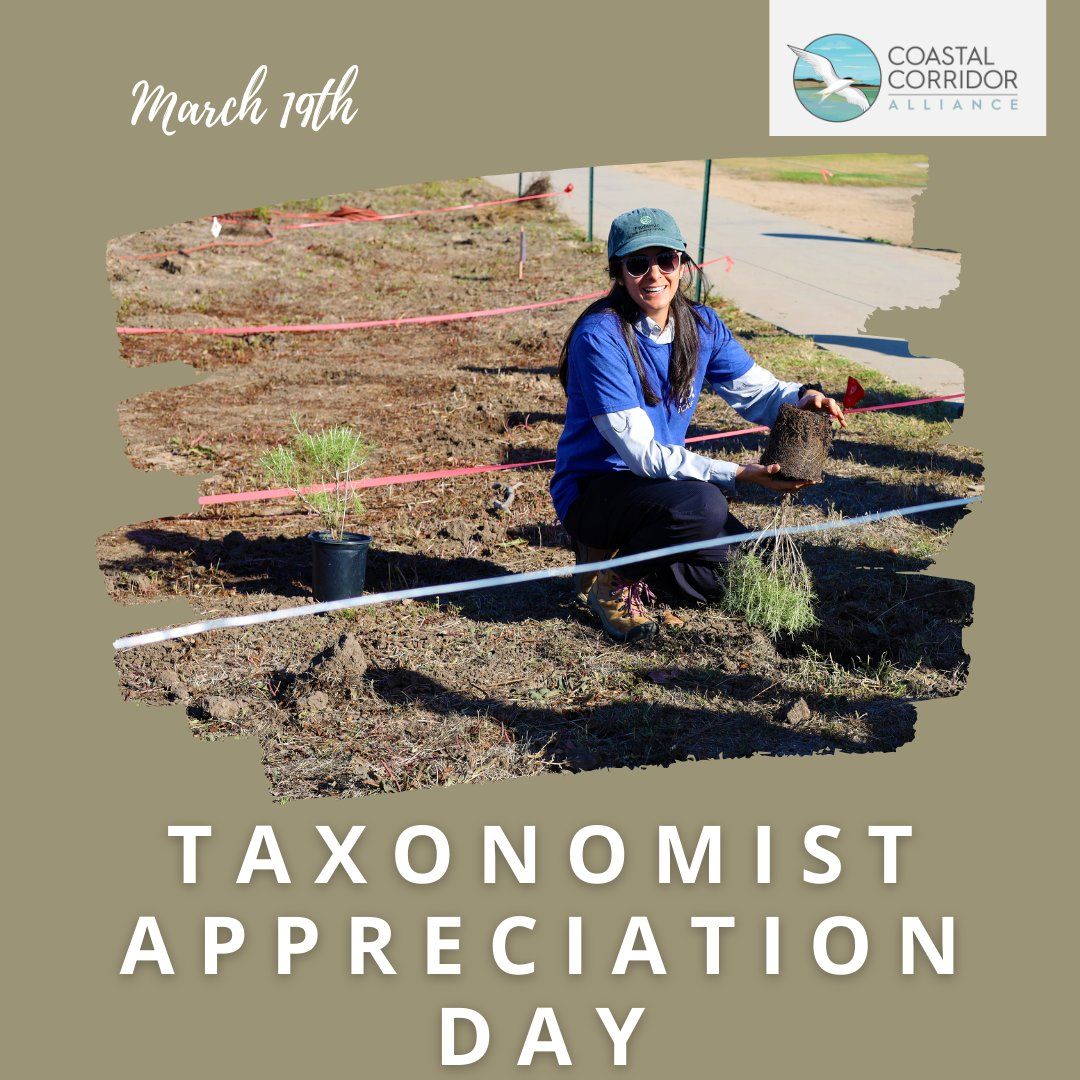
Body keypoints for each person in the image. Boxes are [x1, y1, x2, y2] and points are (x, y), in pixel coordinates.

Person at [551, 207, 846, 643]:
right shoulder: (600, 338)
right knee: (704, 507)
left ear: (682, 264)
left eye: (665, 260)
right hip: (598, 491)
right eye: (637, 263)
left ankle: (640, 567)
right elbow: (644, 456)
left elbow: (757, 392)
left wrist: (803, 397)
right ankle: (612, 581)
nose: (653, 275)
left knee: (757, 569)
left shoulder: (702, 324)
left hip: (662, 492)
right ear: (618, 272)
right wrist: (740, 476)